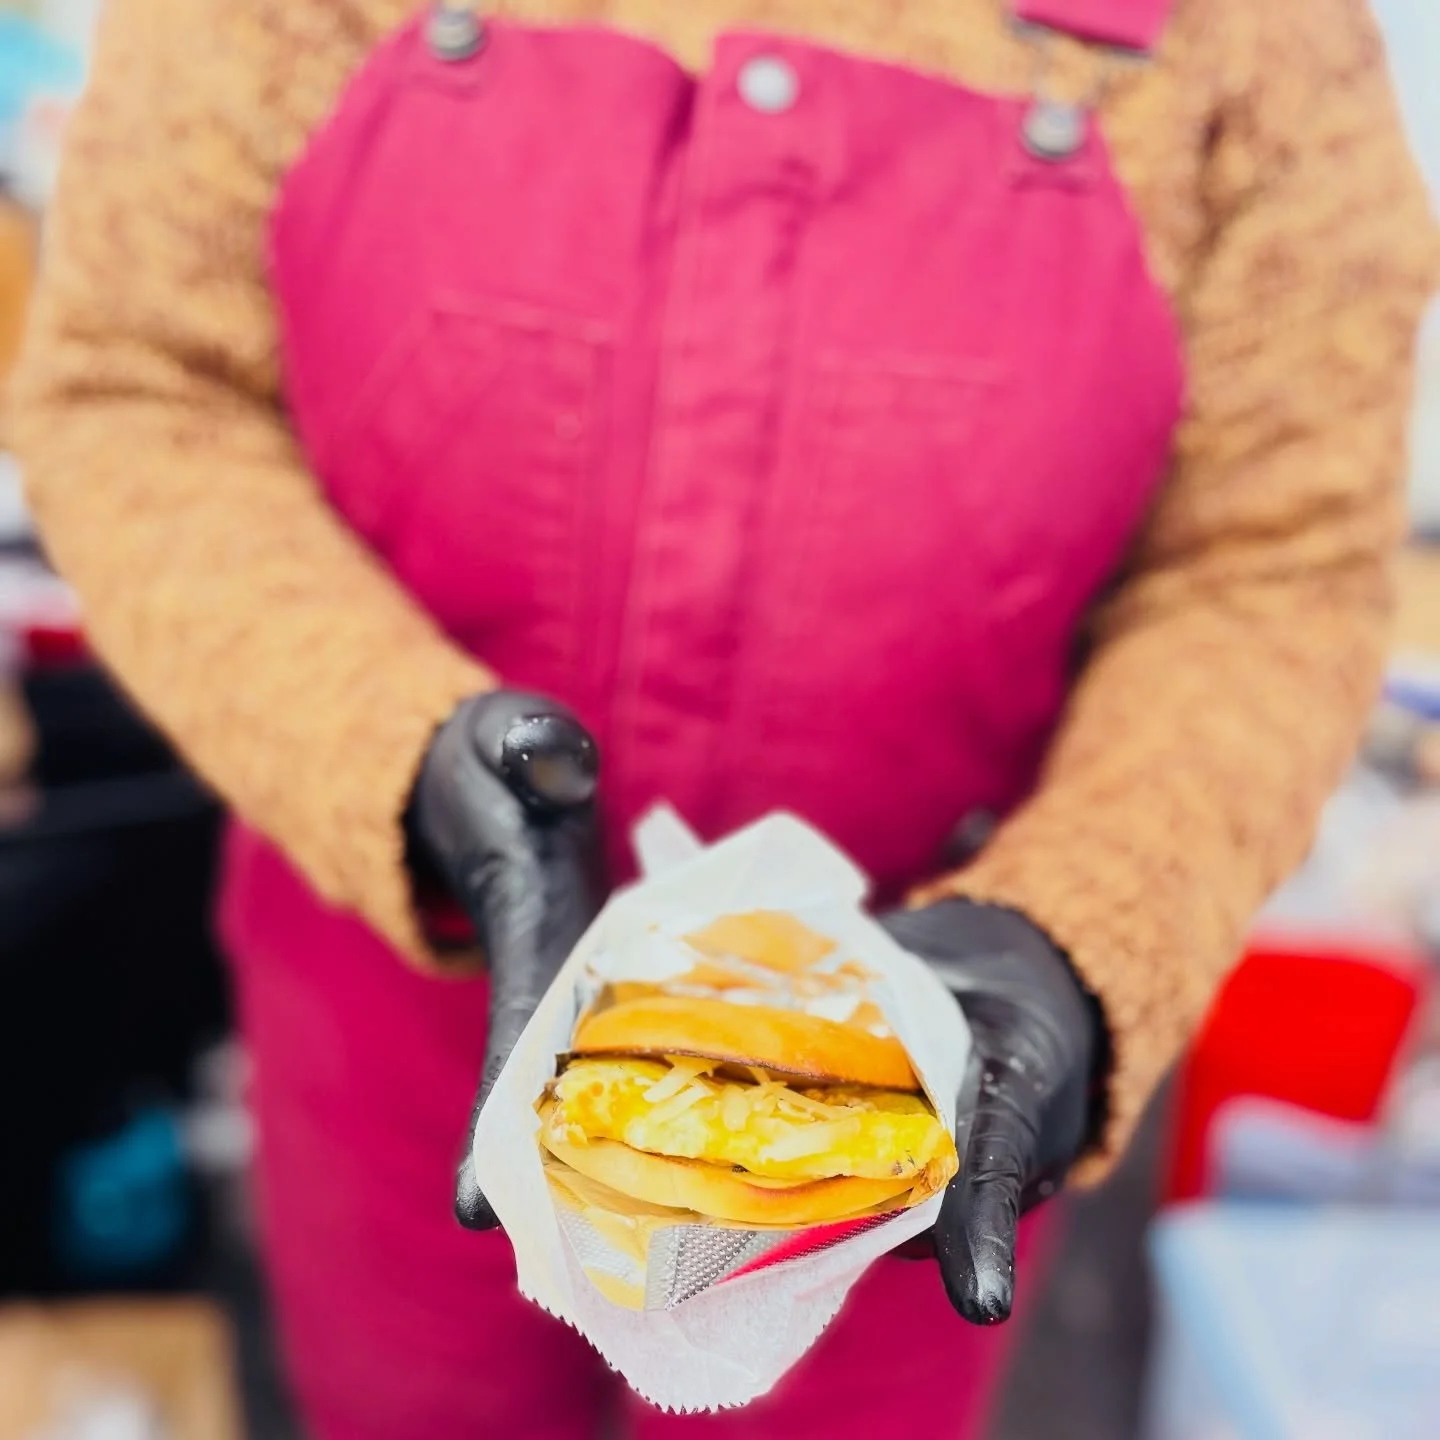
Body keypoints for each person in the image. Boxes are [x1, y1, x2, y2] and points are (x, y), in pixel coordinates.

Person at [11, 0, 1438, 1435]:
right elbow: (143, 391)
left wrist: (1089, 926)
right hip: (392, 1041)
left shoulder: (1258, 47)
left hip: (911, 1091)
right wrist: (377, 740)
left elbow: (1271, 567)